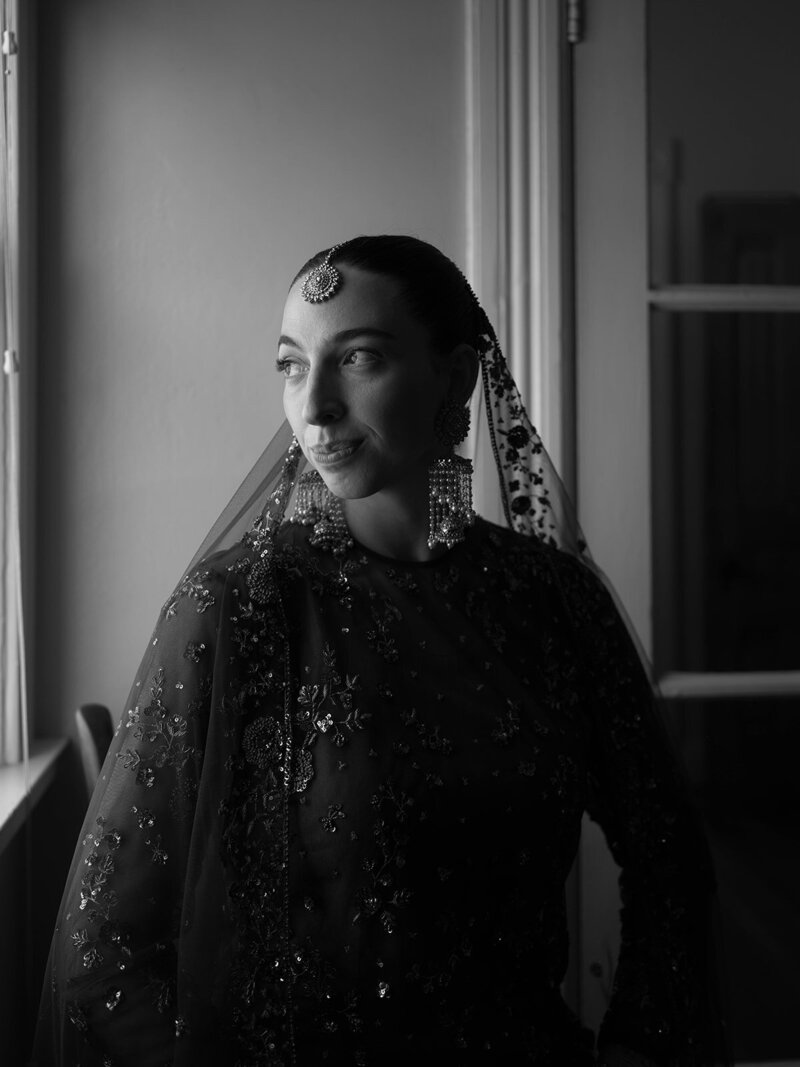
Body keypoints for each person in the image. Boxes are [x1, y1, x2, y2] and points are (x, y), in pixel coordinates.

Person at [33, 236, 728, 1066]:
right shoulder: (240, 610)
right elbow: (102, 952)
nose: (314, 406)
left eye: (358, 358)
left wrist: (641, 1045)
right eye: (292, 366)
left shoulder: (556, 603)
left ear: (457, 376)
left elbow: (670, 853)